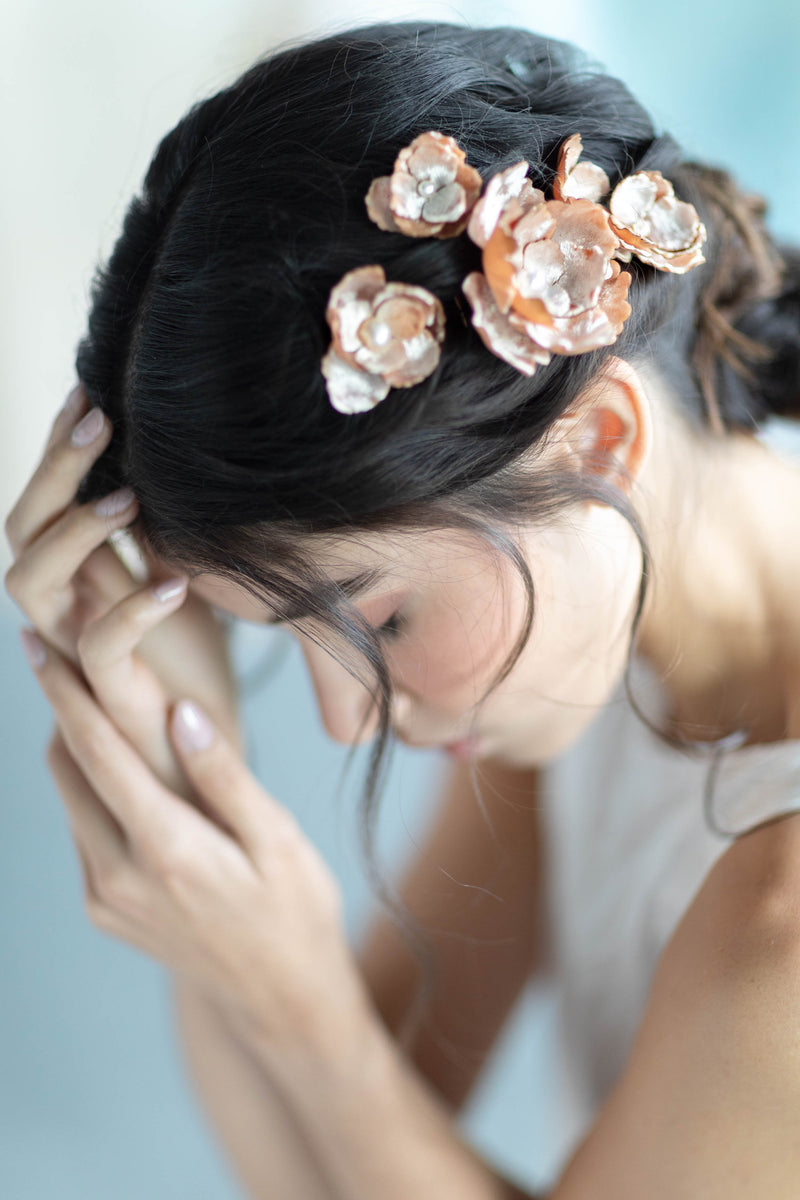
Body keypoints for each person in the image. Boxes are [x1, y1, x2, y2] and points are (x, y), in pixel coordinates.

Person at [5, 19, 800, 1198]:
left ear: (597, 441)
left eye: (377, 623)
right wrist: (186, 799)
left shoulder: (779, 928)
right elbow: (324, 1170)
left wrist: (303, 1010)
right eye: (284, 638)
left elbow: (341, 1109)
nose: (344, 721)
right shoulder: (597, 638)